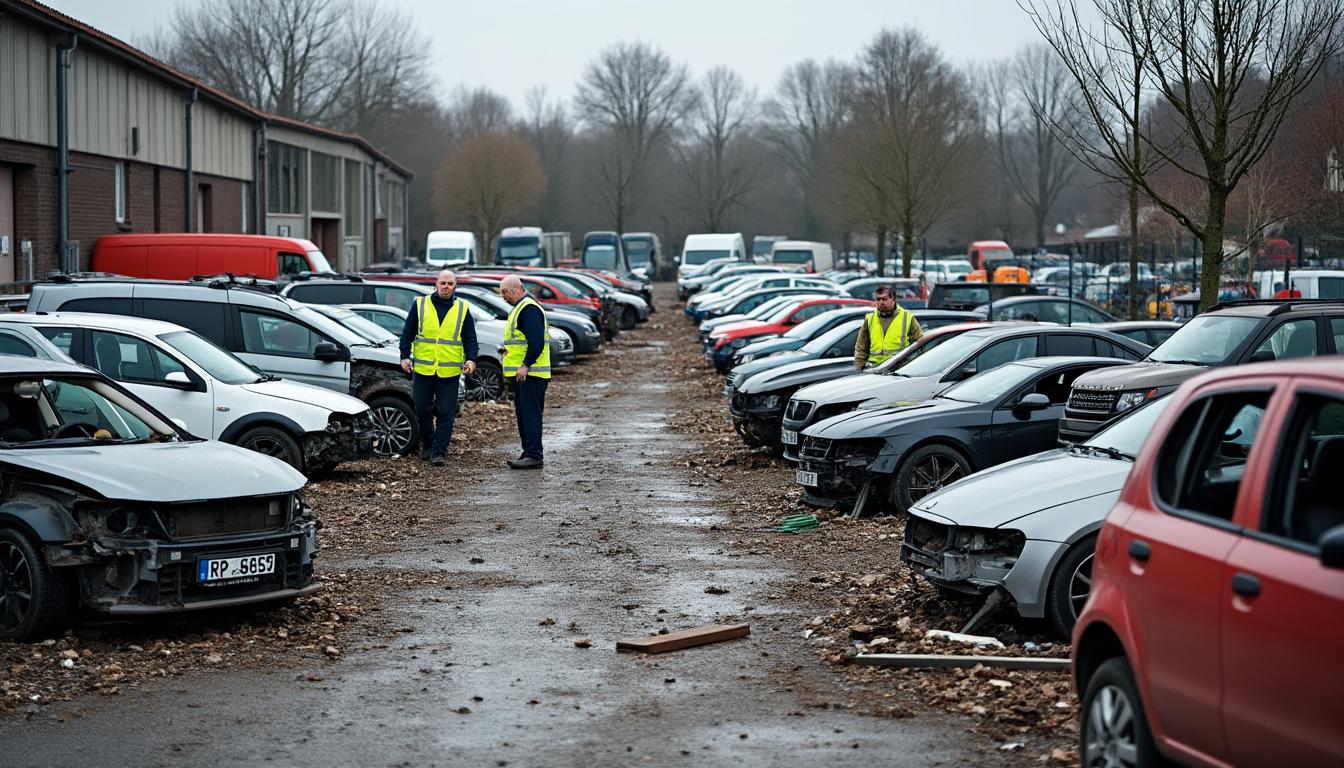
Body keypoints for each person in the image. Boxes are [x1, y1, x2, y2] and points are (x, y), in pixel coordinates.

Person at [399, 270, 478, 465]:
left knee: (446, 412)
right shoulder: (420, 304)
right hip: (424, 370)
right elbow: (407, 332)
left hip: (449, 371)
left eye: (450, 283)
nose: (446, 287)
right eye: (443, 283)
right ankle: (428, 442)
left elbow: (470, 338)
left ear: (455, 285)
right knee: (422, 408)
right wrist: (404, 356)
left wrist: (471, 359)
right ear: (436, 284)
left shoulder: (462, 308)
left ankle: (439, 451)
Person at [498, 275, 551, 469]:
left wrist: (525, 364)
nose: (503, 296)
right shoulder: (521, 308)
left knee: (530, 415)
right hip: (525, 375)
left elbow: (536, 342)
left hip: (532, 374)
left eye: (505, 292)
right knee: (524, 415)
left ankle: (534, 455)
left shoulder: (528, 309)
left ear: (516, 289)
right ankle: (529, 451)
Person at [854, 283, 923, 370]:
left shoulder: (907, 317)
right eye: (878, 299)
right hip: (874, 368)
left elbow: (919, 344)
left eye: (884, 299)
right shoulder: (870, 318)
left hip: (898, 368)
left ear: (893, 300)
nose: (881, 302)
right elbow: (861, 347)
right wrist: (860, 368)